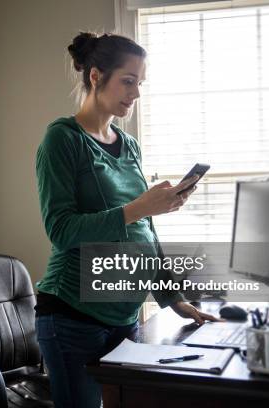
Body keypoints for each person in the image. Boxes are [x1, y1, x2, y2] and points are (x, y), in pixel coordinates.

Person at [34, 32, 219, 408]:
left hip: (125, 316)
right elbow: (61, 230)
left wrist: (172, 298)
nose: (135, 94)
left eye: (140, 84)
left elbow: (143, 230)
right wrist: (139, 208)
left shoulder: (129, 144)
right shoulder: (62, 139)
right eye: (128, 81)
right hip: (73, 316)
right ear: (96, 76)